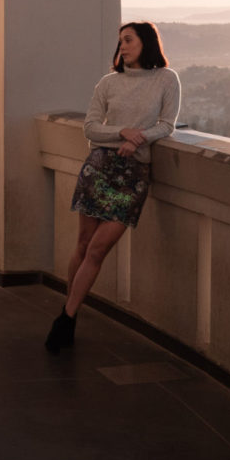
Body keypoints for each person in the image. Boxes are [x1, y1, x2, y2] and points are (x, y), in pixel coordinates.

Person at [44, 21, 181, 353]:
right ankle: (70, 311)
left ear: (146, 43)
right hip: (100, 167)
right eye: (120, 41)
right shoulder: (108, 83)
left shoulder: (166, 79)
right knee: (83, 243)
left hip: (133, 176)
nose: (123, 46)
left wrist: (138, 139)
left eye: (129, 40)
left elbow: (167, 125)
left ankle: (66, 315)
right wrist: (122, 132)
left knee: (98, 249)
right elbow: (90, 128)